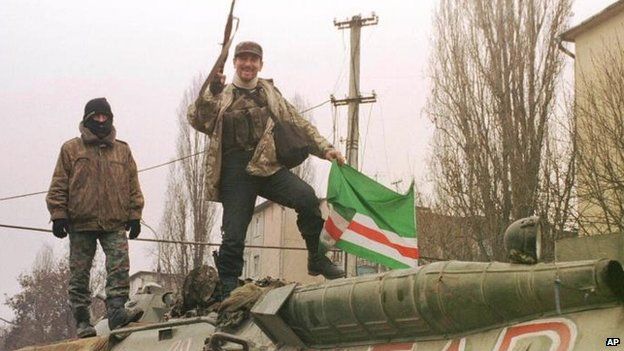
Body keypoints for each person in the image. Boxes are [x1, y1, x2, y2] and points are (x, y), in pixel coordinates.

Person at [188, 41, 346, 298]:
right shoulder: (223, 96)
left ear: (261, 64)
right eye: (243, 59)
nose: (248, 64)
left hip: (267, 166)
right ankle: (228, 284)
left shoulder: (270, 93)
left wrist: (325, 149)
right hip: (235, 170)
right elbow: (196, 118)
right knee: (234, 232)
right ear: (235, 63)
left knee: (306, 197)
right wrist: (211, 91)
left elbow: (298, 123)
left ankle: (316, 258)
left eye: (253, 60)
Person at [46, 97, 144, 337]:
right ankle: (82, 320)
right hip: (81, 221)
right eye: (96, 117)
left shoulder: (122, 149)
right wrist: (58, 214)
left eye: (105, 117)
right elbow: (59, 183)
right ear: (87, 120)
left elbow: (133, 184)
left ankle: (117, 311)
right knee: (79, 274)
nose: (101, 121)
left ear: (110, 119)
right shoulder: (71, 149)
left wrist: (135, 214)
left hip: (114, 221)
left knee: (119, 268)